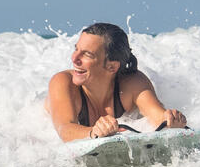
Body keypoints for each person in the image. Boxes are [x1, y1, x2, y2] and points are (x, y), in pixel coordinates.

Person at [46, 22, 186, 143]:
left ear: (112, 66)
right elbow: (64, 130)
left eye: (87, 54)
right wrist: (93, 132)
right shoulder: (63, 82)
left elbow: (157, 116)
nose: (74, 58)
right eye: (76, 49)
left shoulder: (132, 83)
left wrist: (170, 121)